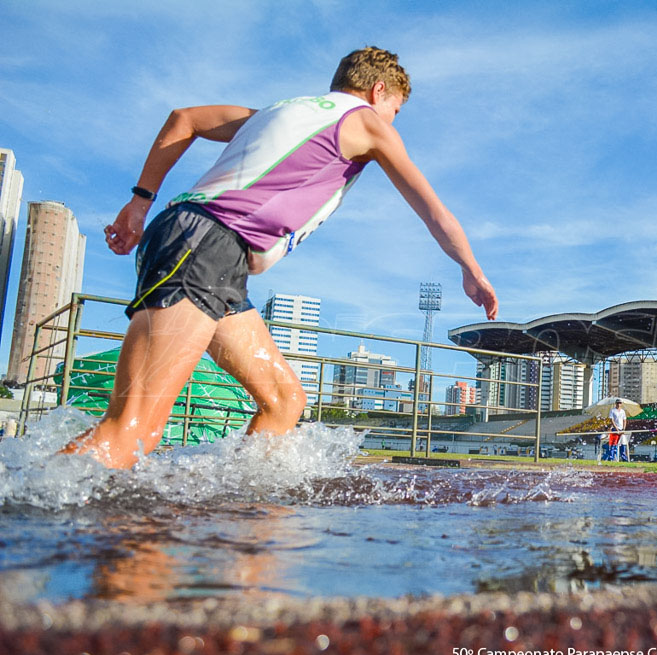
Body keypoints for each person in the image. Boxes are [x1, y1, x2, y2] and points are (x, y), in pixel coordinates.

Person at [60, 47, 499, 469]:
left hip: (209, 255)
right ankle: (21, 507)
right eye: (396, 110)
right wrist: (471, 270)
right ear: (378, 90)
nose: (392, 122)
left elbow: (185, 119)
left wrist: (139, 202)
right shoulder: (365, 119)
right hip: (204, 245)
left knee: (284, 400)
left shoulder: (276, 113)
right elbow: (433, 210)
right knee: (133, 430)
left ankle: (237, 517)